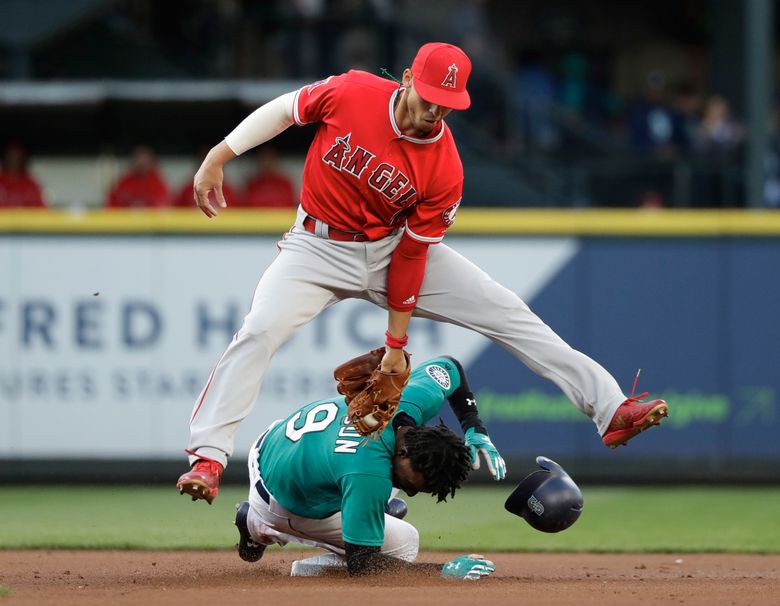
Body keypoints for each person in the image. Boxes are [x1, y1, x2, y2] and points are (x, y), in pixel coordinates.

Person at [177, 42, 669, 504]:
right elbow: (286, 110)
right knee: (259, 331)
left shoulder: (445, 167)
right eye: (431, 97)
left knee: (508, 312)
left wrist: (396, 346)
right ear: (408, 79)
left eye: (447, 103)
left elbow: (412, 257)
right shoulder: (352, 92)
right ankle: (208, 459)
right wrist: (218, 157)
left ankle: (610, 409)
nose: (436, 111)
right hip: (316, 247)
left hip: (394, 248)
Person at [232, 355, 500, 578]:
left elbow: (449, 366)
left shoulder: (410, 400)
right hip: (277, 499)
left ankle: (371, 510)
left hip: (278, 441)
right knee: (404, 543)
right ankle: (258, 526)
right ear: (404, 451)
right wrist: (442, 571)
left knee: (378, 483)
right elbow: (364, 566)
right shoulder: (368, 474)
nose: (415, 492)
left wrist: (474, 426)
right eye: (416, 485)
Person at [106, 145, 170, 208]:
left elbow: (163, 206)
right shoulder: (124, 181)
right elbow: (111, 203)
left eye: (145, 160)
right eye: (138, 159)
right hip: (126, 217)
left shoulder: (158, 182)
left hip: (150, 218)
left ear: (151, 161)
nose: (141, 162)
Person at [0, 142, 46, 208]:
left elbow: (41, 212)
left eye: (18, 157)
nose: (13, 160)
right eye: (10, 156)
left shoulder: (32, 185)